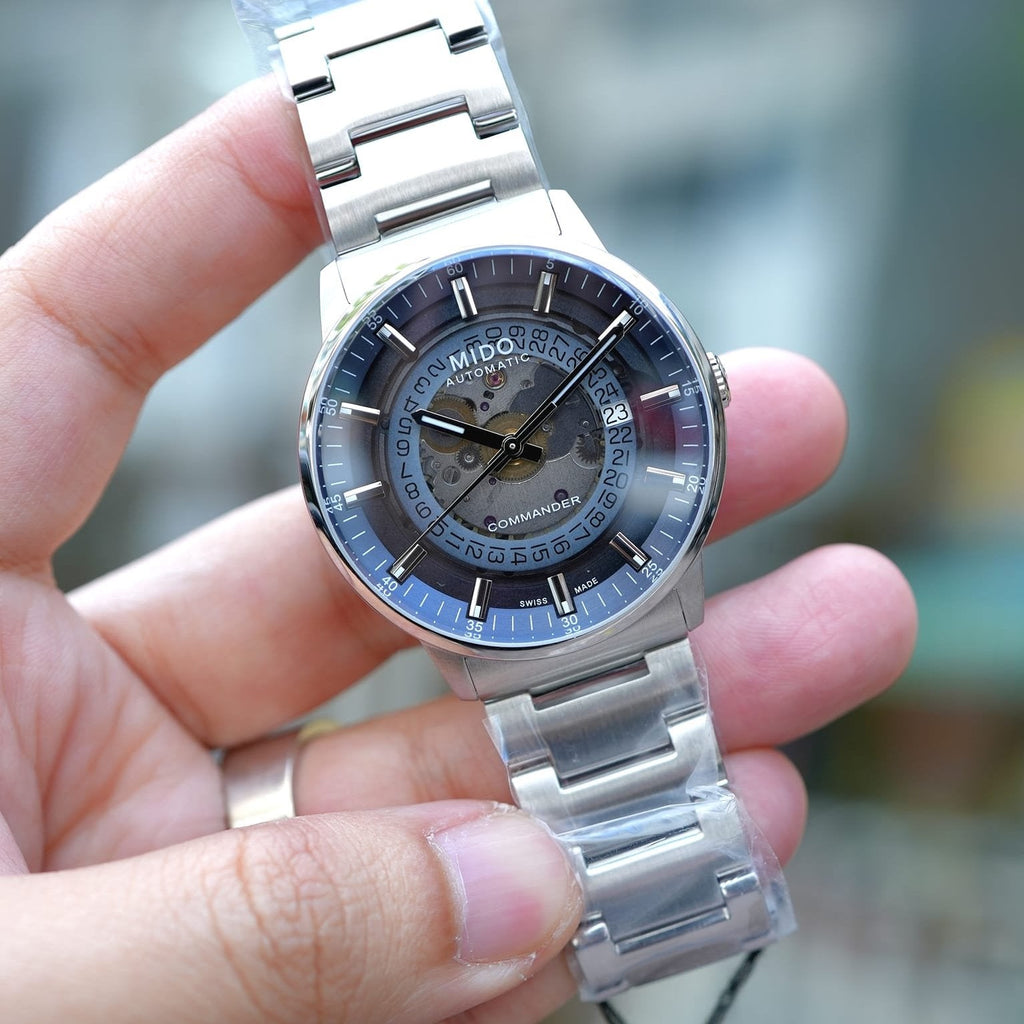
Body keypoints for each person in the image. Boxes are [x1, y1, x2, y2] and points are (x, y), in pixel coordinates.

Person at [0, 76, 917, 1023]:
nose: (511, 447)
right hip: (542, 593)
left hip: (602, 579)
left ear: (702, 386)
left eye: (520, 434)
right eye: (482, 440)